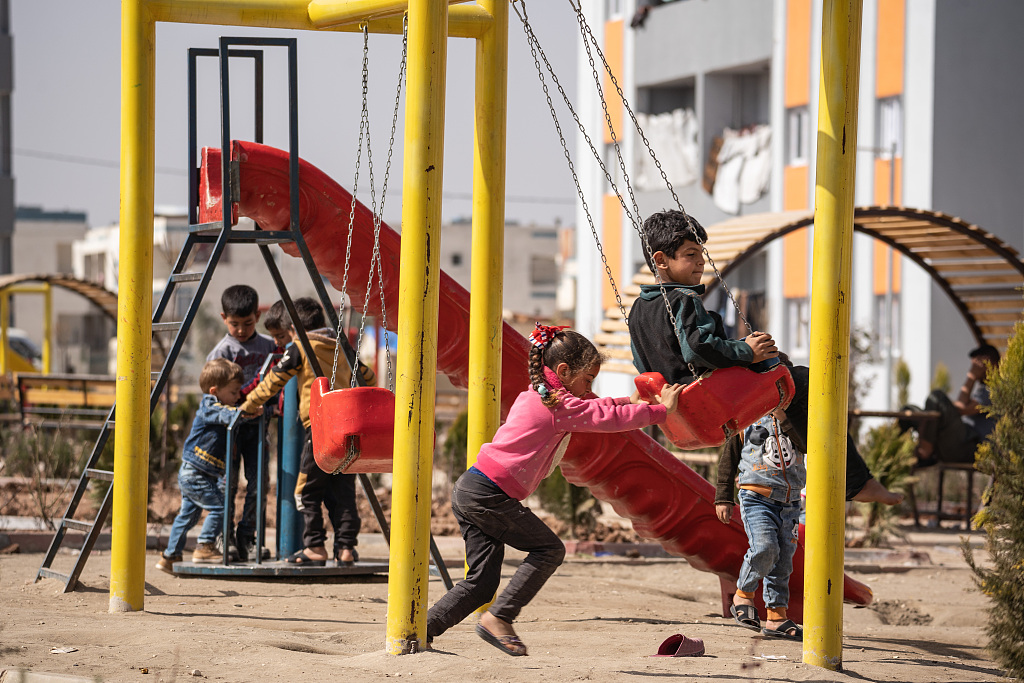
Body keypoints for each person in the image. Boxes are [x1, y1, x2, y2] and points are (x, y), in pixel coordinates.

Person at [426, 324, 684, 656]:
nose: (590, 388)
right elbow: (601, 418)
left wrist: (626, 400)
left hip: (474, 489)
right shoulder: (554, 406)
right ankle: (500, 617)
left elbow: (594, 406)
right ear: (563, 372)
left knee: (481, 584)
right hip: (488, 494)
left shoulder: (542, 396)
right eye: (588, 380)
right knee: (550, 550)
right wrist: (661, 411)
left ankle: (422, 631)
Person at [628, 209, 902, 505]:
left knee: (781, 367)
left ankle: (825, 463)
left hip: (680, 415)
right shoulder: (683, 300)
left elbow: (643, 365)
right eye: (691, 254)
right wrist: (747, 352)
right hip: (709, 400)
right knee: (807, 381)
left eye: (701, 253)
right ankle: (853, 480)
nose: (701, 261)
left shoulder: (637, 310)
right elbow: (697, 348)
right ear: (660, 260)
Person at [240, 297, 375, 567]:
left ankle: (314, 546)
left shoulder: (300, 347)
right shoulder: (342, 348)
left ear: (293, 328)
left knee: (306, 490)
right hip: (348, 431)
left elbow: (273, 380)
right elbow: (368, 376)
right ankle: (346, 548)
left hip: (321, 429)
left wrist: (248, 405)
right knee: (344, 491)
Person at [715, 387, 805, 640]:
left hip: (790, 501)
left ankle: (776, 616)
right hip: (756, 496)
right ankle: (743, 595)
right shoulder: (743, 417)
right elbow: (728, 458)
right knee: (765, 547)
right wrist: (723, 497)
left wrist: (785, 418)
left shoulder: (796, 417)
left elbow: (807, 445)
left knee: (784, 561)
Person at [156, 359, 254, 572]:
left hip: (198, 474)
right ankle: (205, 546)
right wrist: (245, 411)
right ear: (214, 390)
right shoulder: (209, 405)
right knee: (221, 507)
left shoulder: (222, 405)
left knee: (187, 516)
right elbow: (225, 414)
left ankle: (170, 556)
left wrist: (242, 413)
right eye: (234, 392)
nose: (238, 397)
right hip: (195, 473)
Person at [207, 285, 277, 562]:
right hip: (230, 431)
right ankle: (225, 535)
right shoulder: (221, 352)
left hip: (258, 429)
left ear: (257, 316)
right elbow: (212, 395)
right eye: (234, 324)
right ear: (224, 318)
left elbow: (278, 385)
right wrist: (235, 410)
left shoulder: (269, 348)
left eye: (247, 323)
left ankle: (248, 536)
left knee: (259, 482)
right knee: (228, 483)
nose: (240, 330)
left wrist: (268, 408)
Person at [902, 344, 1000, 467]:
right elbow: (960, 406)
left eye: (977, 364)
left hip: (972, 447)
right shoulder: (982, 389)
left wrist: (971, 377)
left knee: (936, 397)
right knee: (908, 411)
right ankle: (897, 457)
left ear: (989, 362)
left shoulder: (995, 389)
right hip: (960, 441)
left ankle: (925, 453)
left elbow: (962, 409)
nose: (972, 368)